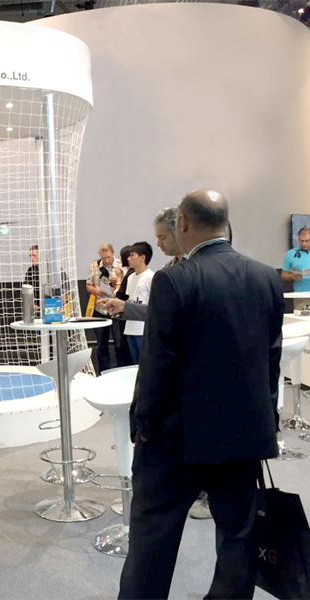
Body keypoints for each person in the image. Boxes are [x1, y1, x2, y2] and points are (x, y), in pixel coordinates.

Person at [115, 190, 284, 600]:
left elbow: (157, 365)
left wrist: (143, 424)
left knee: (152, 539)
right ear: (225, 223)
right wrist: (267, 422)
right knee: (238, 536)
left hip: (176, 438)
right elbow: (271, 360)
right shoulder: (267, 277)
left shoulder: (175, 280)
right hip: (244, 434)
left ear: (184, 224)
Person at [103, 207, 213, 519]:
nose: (159, 244)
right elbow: (160, 313)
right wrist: (126, 307)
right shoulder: (170, 269)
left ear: (182, 230)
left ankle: (208, 493)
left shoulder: (195, 270)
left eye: (163, 237)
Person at [86, 243, 125, 372]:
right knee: (101, 344)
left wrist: (117, 281)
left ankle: (121, 371)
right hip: (100, 309)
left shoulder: (121, 265)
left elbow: (126, 285)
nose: (106, 261)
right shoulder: (95, 266)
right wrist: (95, 290)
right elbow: (88, 285)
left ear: (113, 253)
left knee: (119, 343)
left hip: (116, 308)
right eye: (103, 258)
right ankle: (103, 371)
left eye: (108, 257)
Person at [121, 241, 154, 364]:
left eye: (132, 255)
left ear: (142, 258)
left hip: (143, 328)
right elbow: (130, 298)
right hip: (130, 327)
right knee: (135, 363)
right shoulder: (130, 277)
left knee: (145, 362)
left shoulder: (151, 276)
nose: (128, 259)